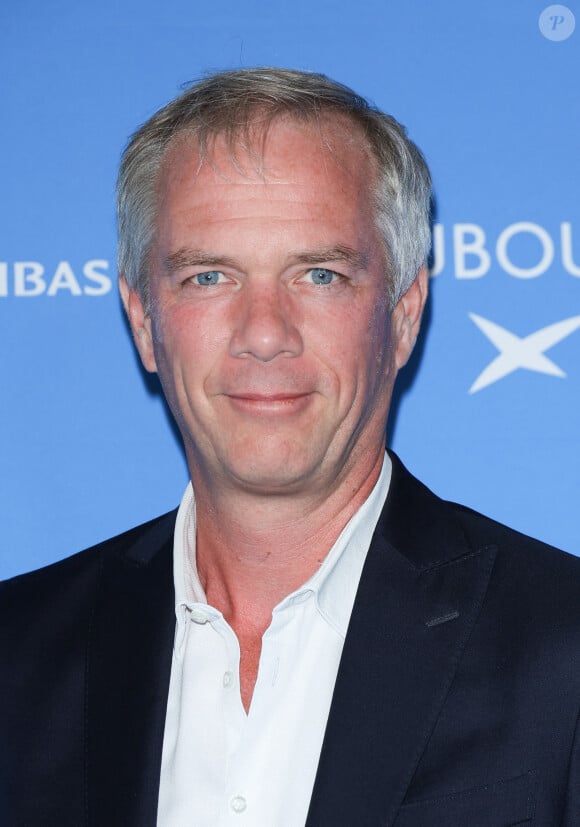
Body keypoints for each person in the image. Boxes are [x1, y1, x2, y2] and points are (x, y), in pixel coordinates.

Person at [1, 67, 579, 827]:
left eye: (319, 274)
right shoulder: (17, 655)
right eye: (209, 276)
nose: (265, 333)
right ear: (144, 321)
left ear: (404, 315)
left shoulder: (561, 650)